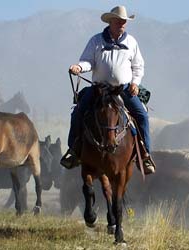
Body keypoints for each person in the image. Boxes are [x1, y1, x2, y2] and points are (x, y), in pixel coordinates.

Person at [60, 5, 155, 174]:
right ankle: (73, 151)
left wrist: (135, 82)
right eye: (119, 21)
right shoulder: (96, 41)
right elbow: (88, 61)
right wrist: (79, 67)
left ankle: (145, 155)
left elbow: (138, 66)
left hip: (124, 89)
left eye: (124, 22)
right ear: (110, 22)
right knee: (78, 112)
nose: (122, 24)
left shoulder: (131, 42)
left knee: (142, 115)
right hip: (99, 89)